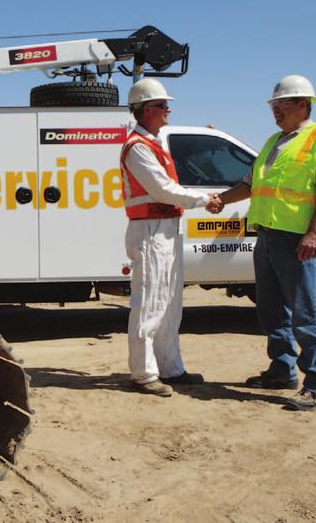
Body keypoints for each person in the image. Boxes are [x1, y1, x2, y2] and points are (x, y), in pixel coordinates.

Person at [208, 75, 316, 411]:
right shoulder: (272, 142)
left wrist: (313, 234)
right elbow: (250, 185)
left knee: (306, 313)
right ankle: (282, 370)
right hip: (267, 236)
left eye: (282, 104)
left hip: (299, 239)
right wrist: (223, 199)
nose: (276, 110)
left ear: (302, 105)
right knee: (271, 311)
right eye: (273, 105)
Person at [120, 78, 220, 397]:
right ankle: (144, 373)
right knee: (149, 303)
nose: (168, 110)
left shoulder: (154, 141)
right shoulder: (137, 147)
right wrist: (204, 200)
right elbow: (161, 189)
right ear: (146, 110)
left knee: (169, 305)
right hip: (150, 231)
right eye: (163, 105)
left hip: (165, 229)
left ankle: (170, 368)